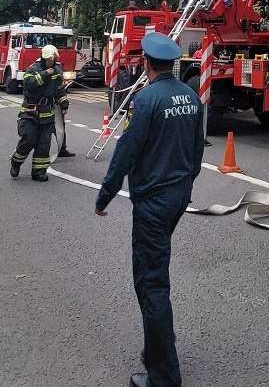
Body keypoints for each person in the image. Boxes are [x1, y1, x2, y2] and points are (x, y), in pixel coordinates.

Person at [95, 32, 205, 387]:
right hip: (177, 197)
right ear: (171, 62)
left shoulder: (144, 101)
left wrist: (105, 195)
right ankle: (155, 352)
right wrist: (187, 184)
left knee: (151, 284)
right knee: (155, 276)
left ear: (145, 62)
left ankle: (162, 375)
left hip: (153, 202)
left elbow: (126, 152)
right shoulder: (191, 96)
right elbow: (197, 149)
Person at [10, 44, 70, 181]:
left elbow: (59, 89)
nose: (51, 62)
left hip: (48, 115)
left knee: (44, 145)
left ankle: (38, 172)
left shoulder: (57, 70)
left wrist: (64, 101)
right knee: (28, 140)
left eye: (53, 60)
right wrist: (44, 74)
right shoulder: (33, 69)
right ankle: (16, 162)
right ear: (43, 58)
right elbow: (28, 86)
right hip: (31, 113)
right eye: (49, 60)